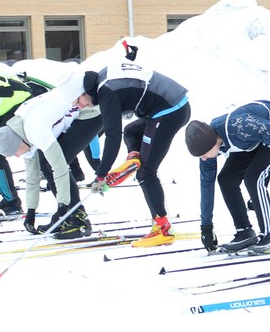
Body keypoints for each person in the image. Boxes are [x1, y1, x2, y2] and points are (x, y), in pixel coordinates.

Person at [77, 62, 189, 247]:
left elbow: (112, 135)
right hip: (167, 107)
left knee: (146, 173)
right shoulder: (101, 81)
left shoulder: (106, 93)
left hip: (170, 111)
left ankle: (162, 228)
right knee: (131, 131)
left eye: (78, 101)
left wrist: (101, 174)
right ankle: (135, 157)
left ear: (84, 92)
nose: (80, 106)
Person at [0, 74, 101, 239]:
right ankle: (69, 216)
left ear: (17, 143)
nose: (18, 156)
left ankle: (77, 221)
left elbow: (60, 168)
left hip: (90, 113)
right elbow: (32, 176)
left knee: (50, 163)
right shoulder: (21, 132)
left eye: (15, 153)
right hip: (75, 113)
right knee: (44, 163)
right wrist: (31, 211)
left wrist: (62, 207)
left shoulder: (35, 129)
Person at [184, 101, 270, 256]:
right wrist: (206, 226)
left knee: (254, 179)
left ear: (212, 143)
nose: (203, 159)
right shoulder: (208, 144)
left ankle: (269, 235)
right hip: (254, 141)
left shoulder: (239, 125)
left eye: (203, 154)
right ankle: (245, 232)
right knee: (226, 179)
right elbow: (207, 184)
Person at [0, 66, 45, 216]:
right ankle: (7, 198)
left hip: (20, 103)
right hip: (0, 111)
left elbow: (6, 90)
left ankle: (13, 202)